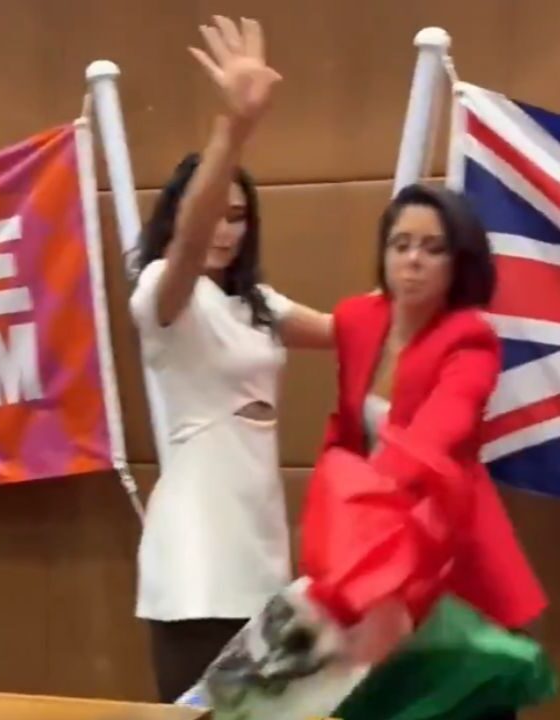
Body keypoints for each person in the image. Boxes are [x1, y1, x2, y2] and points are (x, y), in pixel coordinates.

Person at [128, 16, 333, 702]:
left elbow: (350, 329)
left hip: (261, 548)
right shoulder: (165, 287)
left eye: (239, 216)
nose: (224, 228)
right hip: (195, 557)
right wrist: (235, 127)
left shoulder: (258, 303)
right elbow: (187, 243)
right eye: (215, 210)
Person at [297, 183, 547, 719]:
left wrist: (364, 518)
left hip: (450, 561)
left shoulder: (470, 338)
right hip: (377, 562)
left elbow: (435, 436)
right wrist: (332, 540)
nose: (412, 260)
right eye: (401, 243)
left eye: (432, 249)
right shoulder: (357, 322)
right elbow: (344, 435)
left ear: (459, 264)